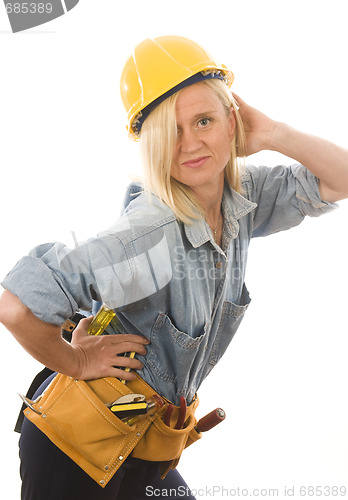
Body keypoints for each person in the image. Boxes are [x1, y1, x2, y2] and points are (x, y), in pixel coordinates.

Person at [0, 35, 347, 499]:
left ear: (232, 121)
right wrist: (76, 359)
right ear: (152, 145)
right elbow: (18, 307)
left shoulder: (242, 199)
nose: (190, 144)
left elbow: (339, 179)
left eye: (204, 120)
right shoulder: (152, 233)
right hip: (74, 446)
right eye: (170, 131)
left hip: (146, 446)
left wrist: (271, 134)